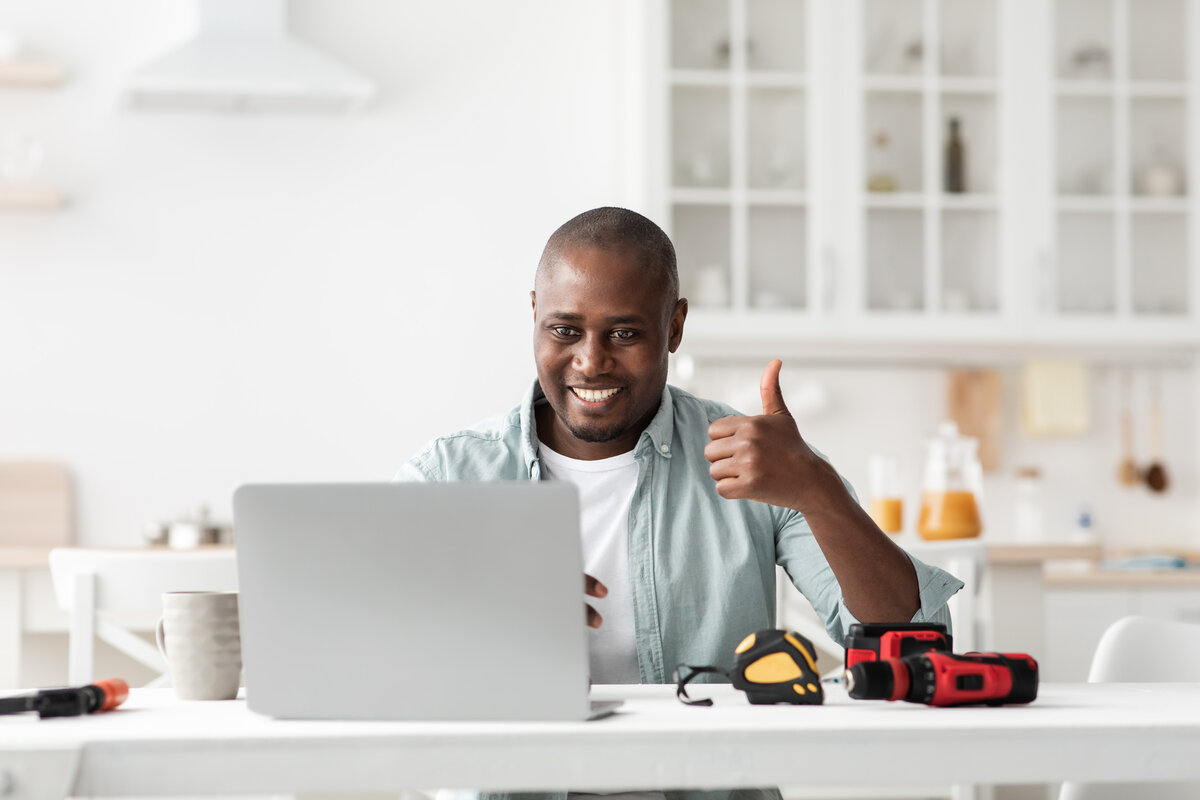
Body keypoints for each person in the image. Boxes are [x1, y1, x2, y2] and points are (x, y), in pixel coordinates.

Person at [398, 206, 962, 800]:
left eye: (624, 333)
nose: (590, 361)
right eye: (565, 330)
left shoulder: (758, 462)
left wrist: (819, 491)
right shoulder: (449, 476)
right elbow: (371, 662)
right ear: (535, 314)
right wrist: (482, 613)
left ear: (674, 326)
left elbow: (917, 643)